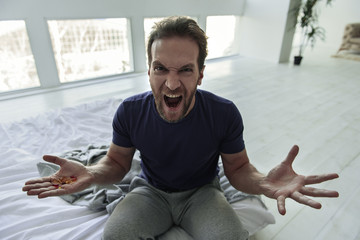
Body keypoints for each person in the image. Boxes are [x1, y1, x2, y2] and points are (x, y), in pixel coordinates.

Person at [23, 16, 339, 240]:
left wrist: (263, 183)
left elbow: (239, 168)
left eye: (185, 70)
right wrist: (92, 173)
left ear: (200, 74)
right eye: (160, 68)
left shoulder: (224, 113)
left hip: (202, 194)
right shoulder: (130, 111)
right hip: (149, 192)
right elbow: (118, 163)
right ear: (148, 71)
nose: (172, 83)